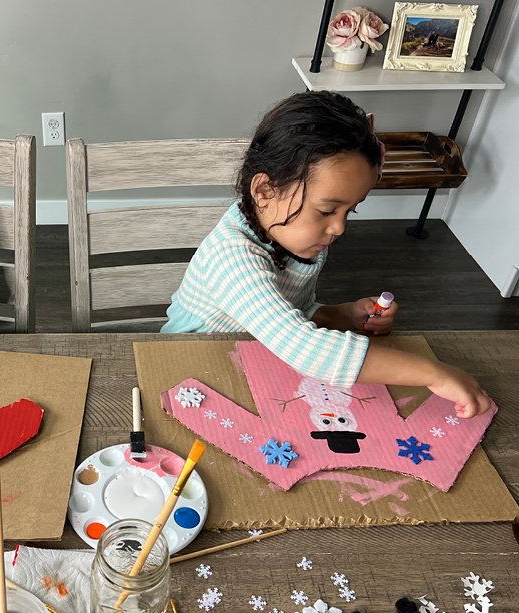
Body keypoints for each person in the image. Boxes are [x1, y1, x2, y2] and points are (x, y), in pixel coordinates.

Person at [162, 91, 490, 419]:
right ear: (264, 192)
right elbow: (304, 347)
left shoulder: (298, 238)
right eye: (327, 210)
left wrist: (341, 315)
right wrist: (435, 373)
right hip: (189, 372)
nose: (339, 228)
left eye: (351, 211)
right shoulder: (231, 257)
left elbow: (295, 310)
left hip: (255, 361)